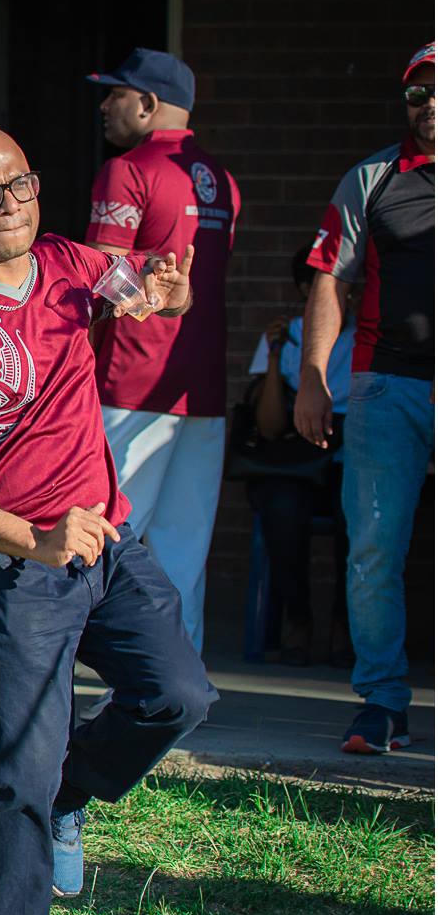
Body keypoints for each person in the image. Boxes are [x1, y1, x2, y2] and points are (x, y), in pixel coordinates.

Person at [0, 124, 214, 915]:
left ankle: (73, 790)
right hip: (9, 570)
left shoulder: (70, 263)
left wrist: (168, 293)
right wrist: (32, 539)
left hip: (107, 542)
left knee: (177, 695)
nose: (8, 204)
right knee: (18, 773)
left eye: (19, 183)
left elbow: (144, 294)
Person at [296, 41, 434, 755]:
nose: (428, 104)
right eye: (418, 92)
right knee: (374, 546)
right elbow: (331, 279)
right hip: (386, 386)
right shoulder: (372, 178)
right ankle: (381, 702)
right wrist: (313, 377)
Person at [85, 49, 240, 652]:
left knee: (102, 536)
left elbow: (102, 279)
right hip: (202, 388)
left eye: (115, 94)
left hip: (130, 381)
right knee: (183, 551)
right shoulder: (223, 181)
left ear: (148, 104)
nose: (105, 106)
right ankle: (175, 686)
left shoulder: (127, 169)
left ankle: (91, 683)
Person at [241, 247, 353, 667]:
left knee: (357, 514)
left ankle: (344, 624)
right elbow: (269, 427)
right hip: (296, 458)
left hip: (346, 456)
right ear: (308, 289)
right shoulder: (287, 336)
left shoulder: (366, 338)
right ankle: (298, 619)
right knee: (282, 509)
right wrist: (274, 358)